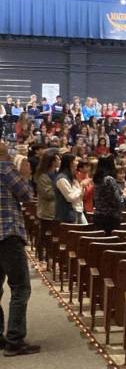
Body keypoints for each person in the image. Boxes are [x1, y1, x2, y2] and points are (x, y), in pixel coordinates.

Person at [0, 142, 40, 357]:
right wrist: (24, 175)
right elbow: (26, 195)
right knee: (20, 288)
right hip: (8, 234)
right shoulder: (5, 169)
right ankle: (14, 340)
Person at [93, 155, 126, 235]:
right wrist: (125, 193)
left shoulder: (97, 178)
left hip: (98, 215)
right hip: (110, 217)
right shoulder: (109, 179)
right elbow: (118, 200)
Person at [34, 149, 60, 261]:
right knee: (44, 235)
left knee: (55, 236)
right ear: (52, 161)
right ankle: (41, 256)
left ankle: (52, 255)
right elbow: (48, 194)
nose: (59, 160)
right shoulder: (43, 176)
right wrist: (60, 189)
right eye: (58, 158)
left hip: (57, 211)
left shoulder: (57, 174)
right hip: (46, 210)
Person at [55, 153, 88, 224]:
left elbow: (80, 195)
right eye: (75, 161)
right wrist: (81, 186)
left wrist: (82, 187)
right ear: (70, 163)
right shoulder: (62, 179)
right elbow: (70, 197)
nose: (77, 163)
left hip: (79, 209)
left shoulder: (72, 176)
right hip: (68, 213)